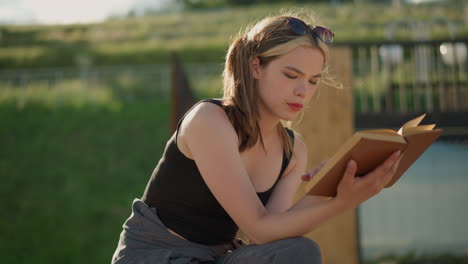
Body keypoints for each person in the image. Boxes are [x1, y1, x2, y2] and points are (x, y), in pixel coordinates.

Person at [111, 13, 403, 264]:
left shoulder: (293, 150)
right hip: (158, 256)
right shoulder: (210, 121)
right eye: (291, 75)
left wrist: (331, 189)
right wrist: (345, 203)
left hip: (218, 256)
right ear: (255, 68)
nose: (304, 90)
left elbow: (268, 237)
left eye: (313, 81)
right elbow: (260, 228)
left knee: (298, 250)